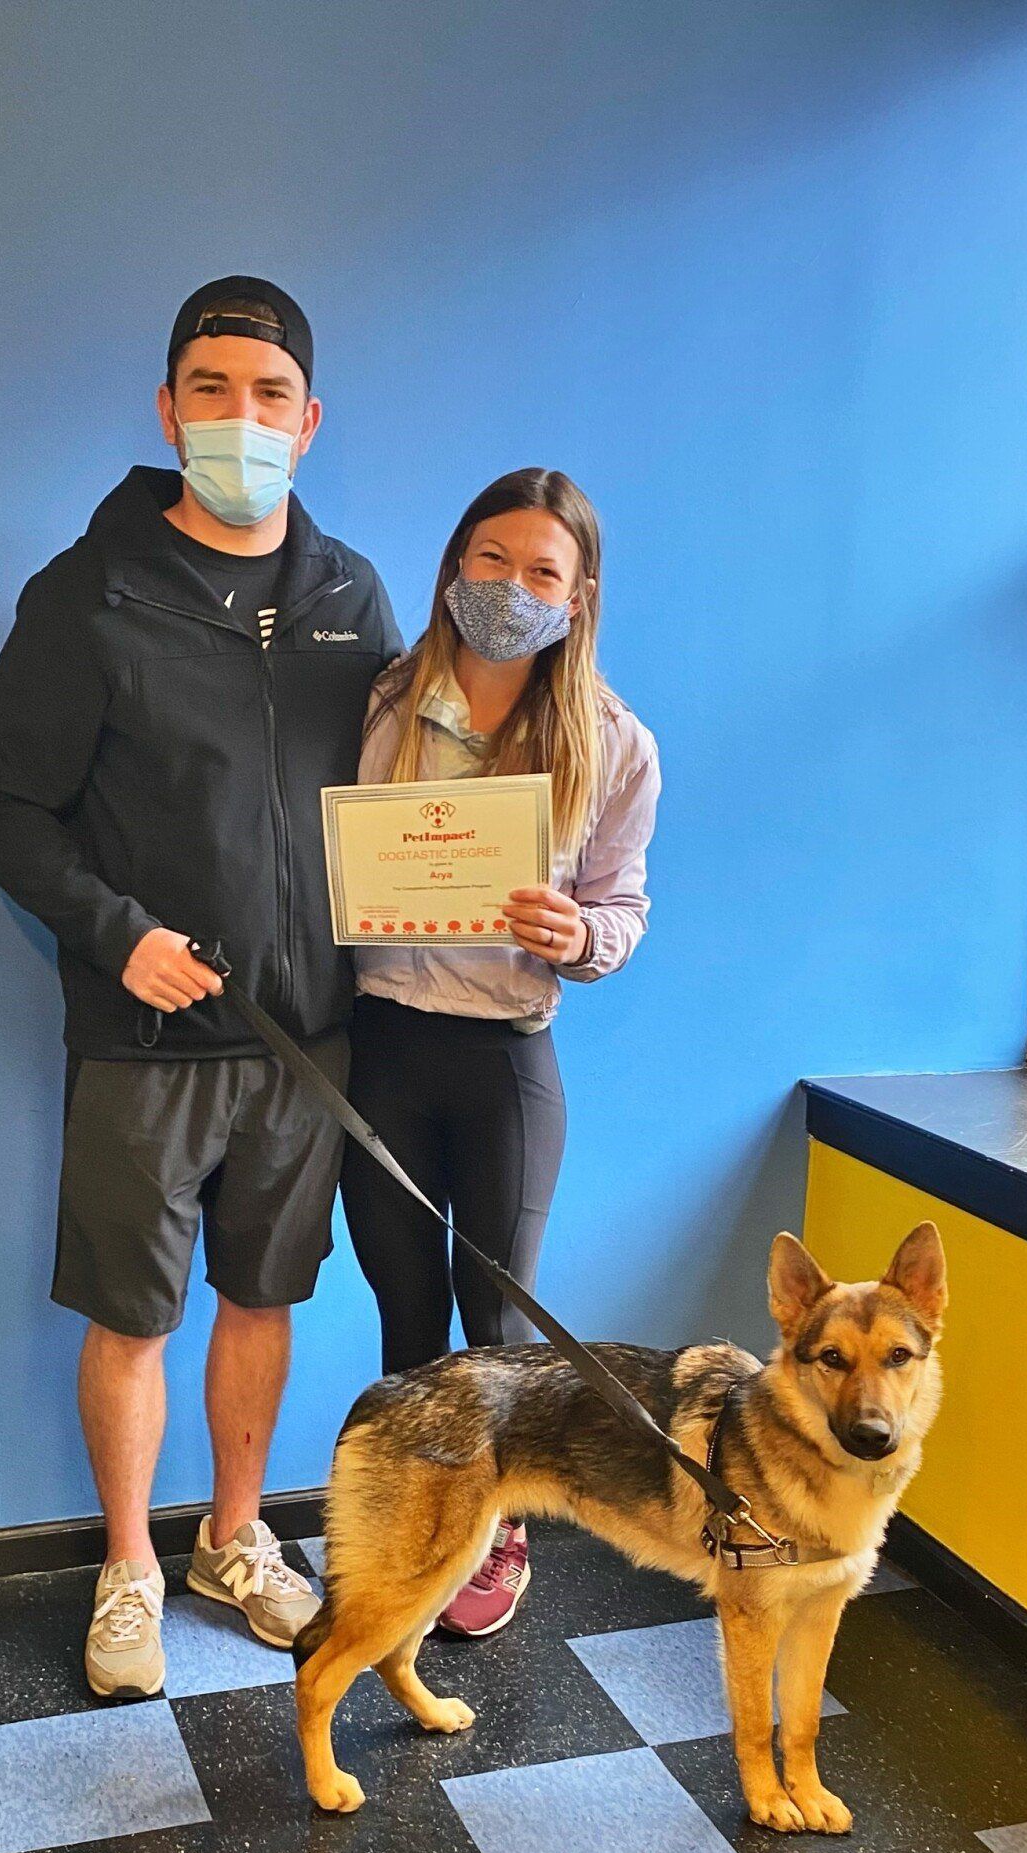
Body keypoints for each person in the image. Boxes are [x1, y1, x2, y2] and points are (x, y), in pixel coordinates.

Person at [0, 277, 401, 1699]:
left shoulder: (351, 595)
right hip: (147, 1039)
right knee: (135, 1314)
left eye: (269, 394)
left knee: (264, 1300)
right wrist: (117, 933)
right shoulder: (88, 592)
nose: (239, 416)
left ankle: (232, 1539)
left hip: (306, 1044)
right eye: (210, 389)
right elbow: (3, 805)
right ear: (167, 409)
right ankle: (130, 1569)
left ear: (311, 421)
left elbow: (402, 800)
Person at [341, 467, 659, 1637]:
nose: (511, 587)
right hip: (378, 1047)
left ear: (576, 602)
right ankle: (411, 1521)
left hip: (505, 1065)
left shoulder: (614, 742)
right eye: (491, 560)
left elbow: (623, 910)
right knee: (403, 1312)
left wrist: (581, 935)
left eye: (542, 573)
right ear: (451, 567)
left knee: (496, 1323)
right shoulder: (375, 702)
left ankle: (495, 1528)